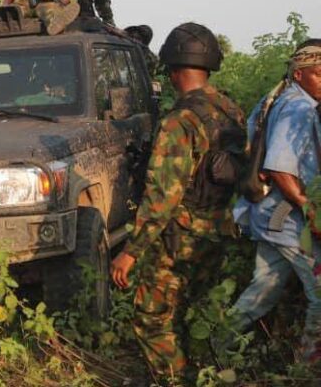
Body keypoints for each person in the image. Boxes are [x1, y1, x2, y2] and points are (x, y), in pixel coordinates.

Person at [110, 23, 246, 383]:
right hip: (218, 230)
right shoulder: (231, 110)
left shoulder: (179, 121)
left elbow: (162, 196)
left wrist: (130, 252)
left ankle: (174, 379)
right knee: (193, 311)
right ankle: (202, 374)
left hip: (179, 237)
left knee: (152, 317)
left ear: (172, 72)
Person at [227, 41, 321, 362]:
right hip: (286, 216)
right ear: (299, 74)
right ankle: (309, 366)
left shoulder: (279, 98)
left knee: (263, 290)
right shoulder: (299, 107)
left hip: (270, 215)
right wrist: (310, 210)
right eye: (319, 75)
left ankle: (215, 344)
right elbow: (279, 168)